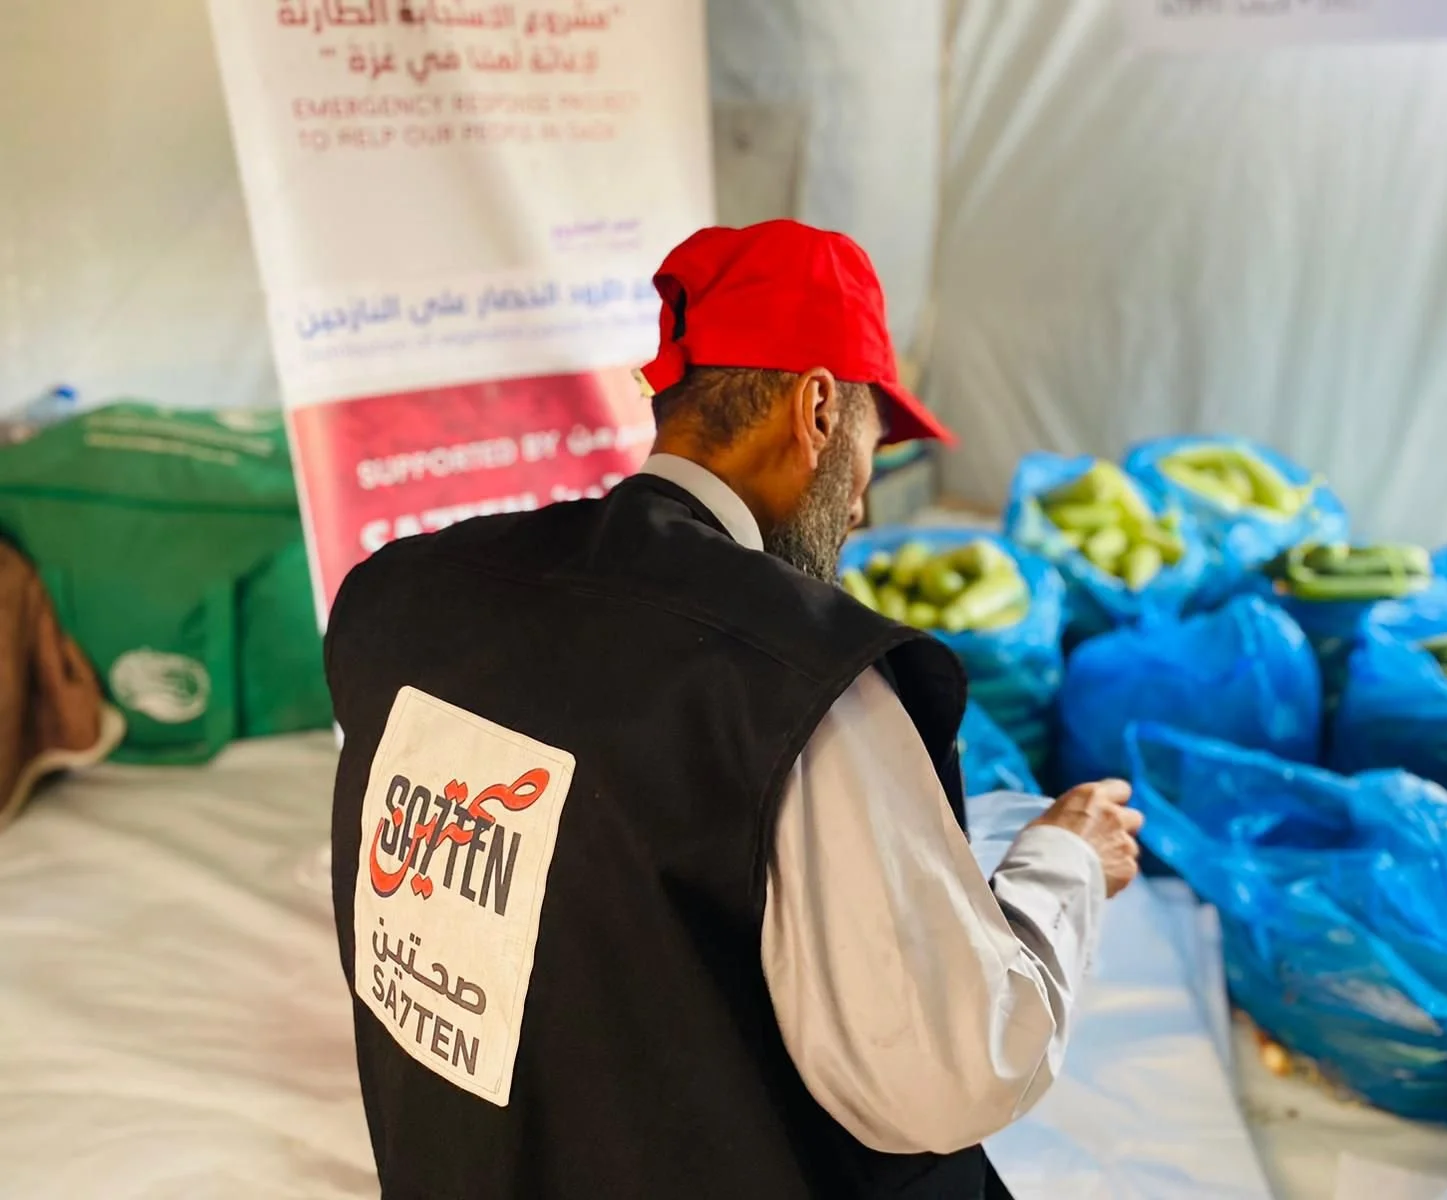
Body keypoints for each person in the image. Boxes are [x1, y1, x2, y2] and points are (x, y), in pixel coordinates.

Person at [325, 219, 1142, 1200]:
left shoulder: (408, 590)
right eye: (873, 453)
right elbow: (956, 1070)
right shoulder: (794, 685)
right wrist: (1065, 865)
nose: (860, 512)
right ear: (817, 412)